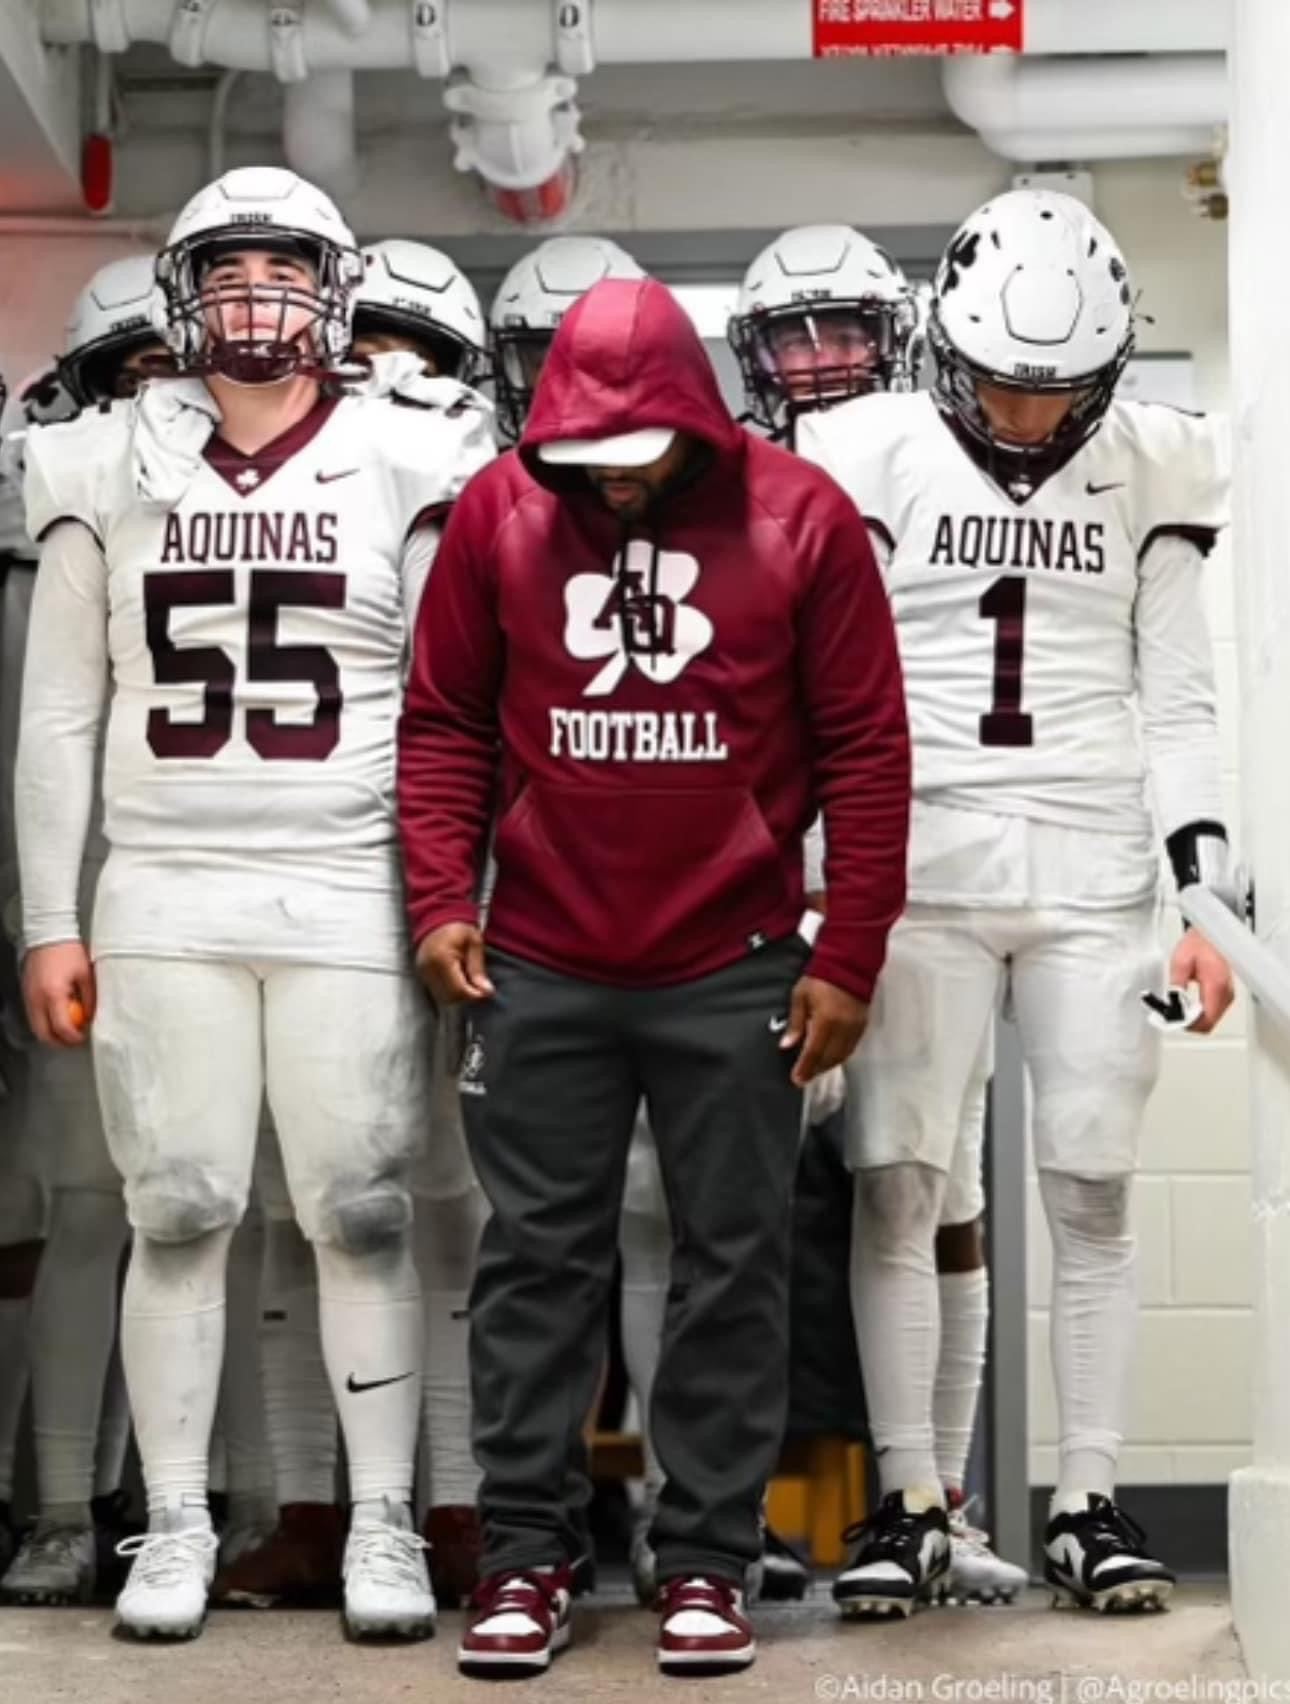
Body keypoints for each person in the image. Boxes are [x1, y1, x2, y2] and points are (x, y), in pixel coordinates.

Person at [399, 272, 910, 1678]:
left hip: (734, 960)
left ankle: (707, 1560)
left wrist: (848, 952)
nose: (613, 483)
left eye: (638, 458)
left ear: (695, 419)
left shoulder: (802, 519)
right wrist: (442, 898)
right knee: (534, 1264)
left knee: (735, 1265)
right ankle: (524, 1555)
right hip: (540, 957)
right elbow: (443, 722)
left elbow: (867, 747)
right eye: (587, 460)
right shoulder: (500, 512)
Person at [15, 164, 492, 1642]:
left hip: (346, 880)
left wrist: (450, 890)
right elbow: (59, 715)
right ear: (180, 299)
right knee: (177, 1208)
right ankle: (171, 1524)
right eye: (226, 275)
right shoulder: (104, 457)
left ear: (337, 295)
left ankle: (384, 1523)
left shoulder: (412, 448)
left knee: (361, 1209)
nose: (255, 302)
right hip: (164, 883)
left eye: (284, 273)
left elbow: (452, 709)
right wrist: (49, 918)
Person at [799, 188, 1234, 1617]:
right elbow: (832, 695)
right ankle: (911, 1498)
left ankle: (1086, 1500)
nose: (1028, 414)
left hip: (1090, 859)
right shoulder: (868, 449)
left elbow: (1179, 699)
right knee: (897, 1180)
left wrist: (1205, 896)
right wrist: (821, 885)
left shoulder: (1153, 460)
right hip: (917, 859)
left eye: (1057, 390)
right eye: (1001, 382)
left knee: (1091, 1184)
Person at [731, 223, 1026, 1605]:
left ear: (896, 335)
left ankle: (934, 1499)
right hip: (766, 886)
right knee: (739, 1208)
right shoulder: (730, 488)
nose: (817, 360)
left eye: (842, 328)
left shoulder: (942, 464)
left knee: (936, 1188)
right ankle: (734, 1504)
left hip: (920, 874)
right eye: (789, 336)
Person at [215, 235, 494, 1615]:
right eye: (365, 341)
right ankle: (309, 1509)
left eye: (415, 350)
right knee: (294, 1209)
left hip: (440, 890)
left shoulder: (471, 491)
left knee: (446, 1211)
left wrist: (481, 893)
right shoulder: (293, 477)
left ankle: (457, 1505)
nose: (386, 369)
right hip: (304, 883)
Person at [0, 253, 171, 1609]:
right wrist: (37, 922)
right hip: (81, 909)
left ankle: (184, 1501)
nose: (157, 394)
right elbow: (34, 747)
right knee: (87, 1212)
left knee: (207, 1215)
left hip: (207, 892)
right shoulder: (46, 538)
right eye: (132, 370)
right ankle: (60, 1505)